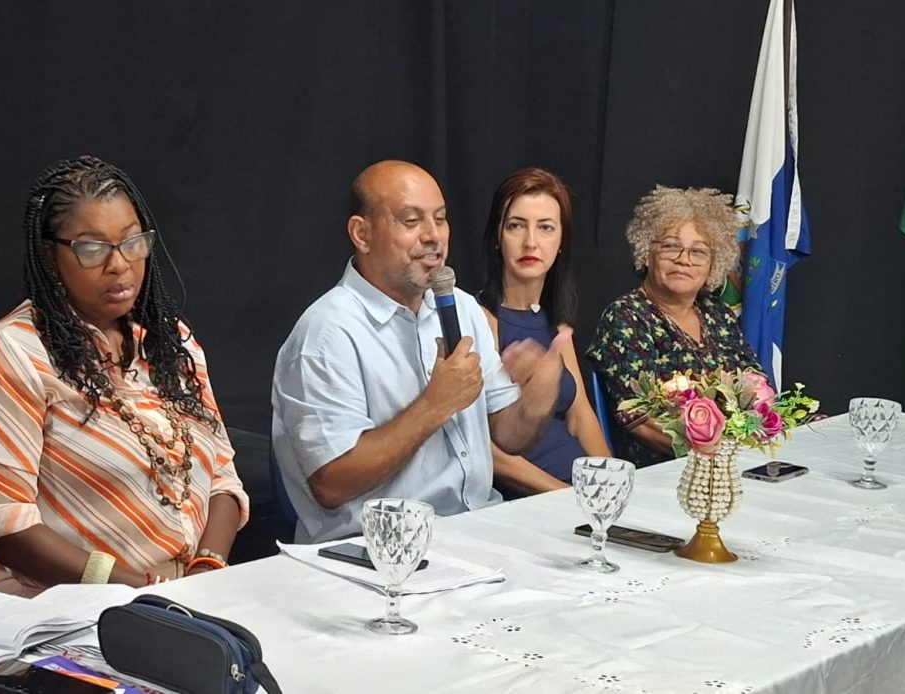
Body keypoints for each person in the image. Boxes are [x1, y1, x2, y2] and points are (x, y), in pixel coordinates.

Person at [0, 156, 248, 593]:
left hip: (189, 594)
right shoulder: (14, 350)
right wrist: (137, 591)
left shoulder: (171, 343)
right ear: (50, 256)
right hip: (72, 606)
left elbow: (223, 477)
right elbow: (4, 524)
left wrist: (205, 569)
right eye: (93, 249)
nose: (119, 264)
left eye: (133, 242)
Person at [272, 160, 564, 544]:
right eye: (412, 221)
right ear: (362, 234)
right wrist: (434, 405)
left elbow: (509, 437)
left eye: (440, 219)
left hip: (477, 530)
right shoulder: (327, 335)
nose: (433, 236)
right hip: (373, 550)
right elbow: (331, 484)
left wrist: (535, 404)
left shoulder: (461, 307)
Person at [587, 185, 761, 467]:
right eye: (670, 246)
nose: (684, 259)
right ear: (646, 253)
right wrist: (715, 455)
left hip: (733, 461)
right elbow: (638, 419)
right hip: (667, 471)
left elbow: (757, 386)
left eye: (698, 251)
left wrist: (756, 437)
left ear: (713, 264)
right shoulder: (626, 316)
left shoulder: (718, 314)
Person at [476, 167, 611, 496]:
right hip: (534, 500)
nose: (530, 242)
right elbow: (486, 451)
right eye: (516, 225)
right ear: (497, 237)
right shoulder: (479, 319)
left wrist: (615, 485)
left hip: (581, 490)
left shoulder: (558, 323)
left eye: (545, 227)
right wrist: (568, 497)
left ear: (561, 240)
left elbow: (581, 417)